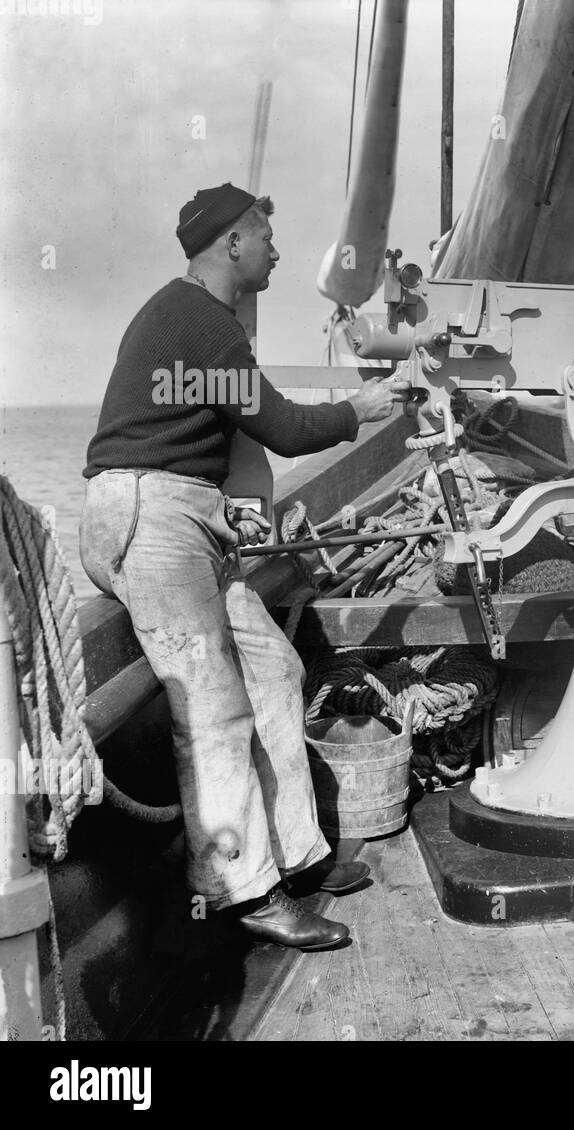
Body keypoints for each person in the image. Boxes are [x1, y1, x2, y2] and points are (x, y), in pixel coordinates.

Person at [79, 183, 409, 950]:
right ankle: (244, 892)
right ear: (232, 244)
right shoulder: (197, 319)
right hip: (149, 518)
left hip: (186, 512)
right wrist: (368, 407)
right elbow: (286, 429)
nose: (278, 249)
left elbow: (226, 433)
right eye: (266, 236)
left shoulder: (199, 318)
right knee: (212, 707)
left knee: (273, 669)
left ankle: (296, 856)